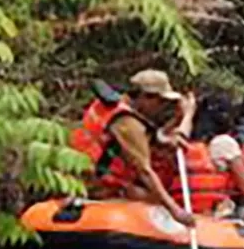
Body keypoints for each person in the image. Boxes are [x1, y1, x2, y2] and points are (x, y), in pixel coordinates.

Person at [67, 68, 195, 224]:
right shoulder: (129, 122)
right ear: (145, 97)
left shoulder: (112, 106)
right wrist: (175, 210)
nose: (163, 107)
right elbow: (145, 172)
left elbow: (152, 138)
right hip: (98, 188)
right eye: (161, 101)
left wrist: (179, 119)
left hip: (78, 180)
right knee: (153, 200)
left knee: (145, 195)